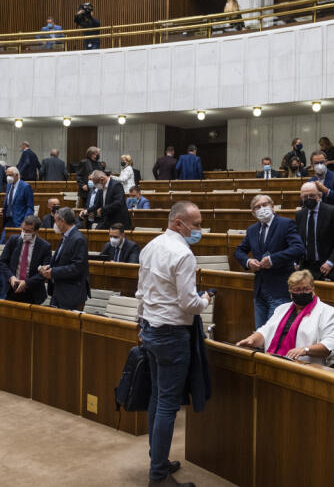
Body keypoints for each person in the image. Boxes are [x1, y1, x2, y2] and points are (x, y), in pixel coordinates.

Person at [136, 201, 211, 486]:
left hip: (151, 329)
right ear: (178, 223)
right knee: (167, 404)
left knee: (158, 397)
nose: (199, 229)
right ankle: (158, 476)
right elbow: (189, 303)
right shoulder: (184, 253)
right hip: (172, 334)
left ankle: (159, 460)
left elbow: (141, 292)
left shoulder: (151, 245)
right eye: (197, 223)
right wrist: (206, 300)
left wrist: (140, 324)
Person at [237, 269, 334, 365]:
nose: (302, 293)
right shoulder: (282, 309)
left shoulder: (328, 312)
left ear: (313, 289)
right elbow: (265, 331)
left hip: (305, 366)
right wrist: (252, 340)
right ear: (290, 293)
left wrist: (305, 350)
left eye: (306, 289)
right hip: (274, 360)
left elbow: (330, 344)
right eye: (297, 290)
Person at [235, 195, 306, 327]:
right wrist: (248, 262)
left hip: (279, 288)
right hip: (260, 289)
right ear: (253, 212)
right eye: (257, 207)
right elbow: (239, 251)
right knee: (260, 333)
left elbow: (299, 248)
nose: (262, 209)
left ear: (272, 207)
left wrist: (273, 259)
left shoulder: (286, 224)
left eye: (265, 205)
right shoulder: (252, 230)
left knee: (274, 334)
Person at [295, 182, 334, 282]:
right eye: (305, 197)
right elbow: (299, 241)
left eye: (312, 196)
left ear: (319, 196)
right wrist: (295, 262)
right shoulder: (300, 215)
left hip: (328, 267)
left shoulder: (332, 212)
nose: (309, 199)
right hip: (306, 268)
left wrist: (330, 262)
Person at [39, 207, 89, 310]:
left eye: (55, 220)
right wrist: (49, 267)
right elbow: (62, 261)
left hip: (71, 294)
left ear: (62, 221)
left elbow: (77, 267)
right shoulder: (66, 237)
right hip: (59, 291)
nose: (55, 224)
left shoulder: (78, 239)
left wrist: (53, 272)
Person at [0, 215, 51, 305]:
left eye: (28, 231)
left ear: (36, 231)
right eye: (23, 229)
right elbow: (2, 262)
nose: (24, 233)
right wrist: (11, 277)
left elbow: (45, 272)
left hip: (33, 293)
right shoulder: (13, 240)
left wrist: (27, 283)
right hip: (11, 289)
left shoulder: (45, 246)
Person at [309, 150, 334, 229]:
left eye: (322, 162)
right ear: (311, 165)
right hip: (319, 224)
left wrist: (326, 190)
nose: (319, 165)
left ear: (326, 162)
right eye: (316, 163)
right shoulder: (310, 181)